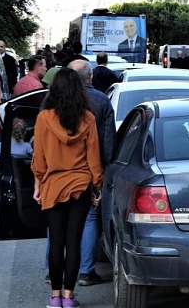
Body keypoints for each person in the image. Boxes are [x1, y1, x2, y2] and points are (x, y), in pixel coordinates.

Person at [31, 68, 103, 308]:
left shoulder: (44, 119)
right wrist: (97, 185)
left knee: (56, 242)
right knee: (74, 242)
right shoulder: (88, 119)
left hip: (53, 185)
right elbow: (94, 158)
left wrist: (38, 183)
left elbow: (39, 158)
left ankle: (55, 297)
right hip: (80, 185)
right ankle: (69, 297)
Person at [67, 59, 116, 287]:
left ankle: (52, 270)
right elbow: (107, 139)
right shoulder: (101, 99)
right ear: (90, 77)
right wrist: (104, 169)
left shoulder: (52, 100)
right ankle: (86, 271)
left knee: (55, 220)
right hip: (88, 167)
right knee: (89, 217)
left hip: (57, 170)